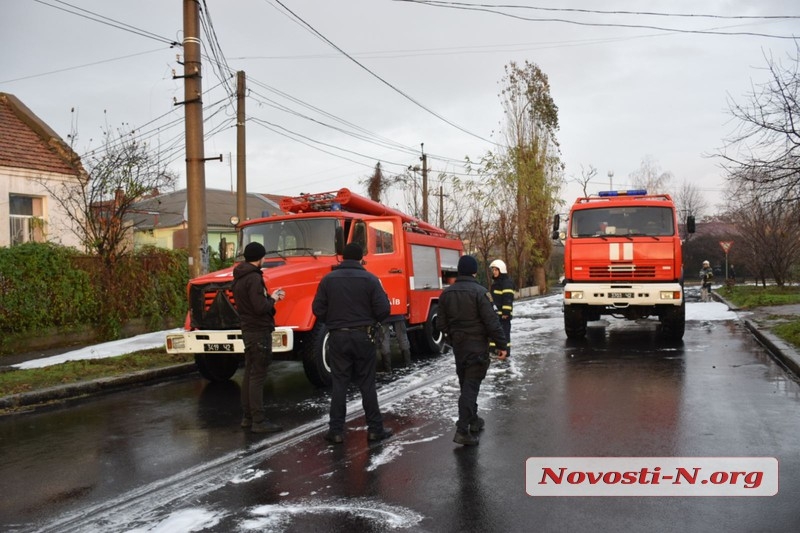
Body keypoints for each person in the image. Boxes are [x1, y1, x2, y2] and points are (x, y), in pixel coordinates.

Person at [312, 242, 392, 444]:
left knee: (339, 384)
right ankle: (375, 429)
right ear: (360, 258)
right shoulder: (371, 279)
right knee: (367, 384)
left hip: (337, 336)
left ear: (342, 258)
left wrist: (334, 320)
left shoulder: (328, 280)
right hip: (364, 336)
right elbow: (383, 310)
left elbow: (317, 309)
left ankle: (336, 430)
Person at [437, 255, 508, 446]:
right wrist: (502, 345)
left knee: (466, 384)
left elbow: (441, 322)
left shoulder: (446, 294)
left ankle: (473, 420)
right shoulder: (481, 293)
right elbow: (492, 322)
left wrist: (452, 337)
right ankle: (462, 430)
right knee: (470, 387)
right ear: (474, 271)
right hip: (477, 348)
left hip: (459, 348)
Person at [232, 241, 285, 434]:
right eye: (263, 257)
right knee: (258, 375)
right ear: (260, 258)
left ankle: (247, 417)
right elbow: (260, 307)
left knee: (250, 373)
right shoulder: (253, 278)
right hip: (258, 330)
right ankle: (259, 420)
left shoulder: (239, 276)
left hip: (247, 328)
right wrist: (274, 299)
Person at [489, 259, 514, 357]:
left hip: (503, 316)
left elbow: (508, 298)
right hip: (496, 315)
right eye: (493, 270)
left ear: (501, 270)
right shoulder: (496, 283)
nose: (494, 272)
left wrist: (506, 313)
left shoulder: (506, 282)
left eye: (496, 270)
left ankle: (505, 353)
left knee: (504, 335)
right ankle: (495, 352)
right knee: (496, 334)